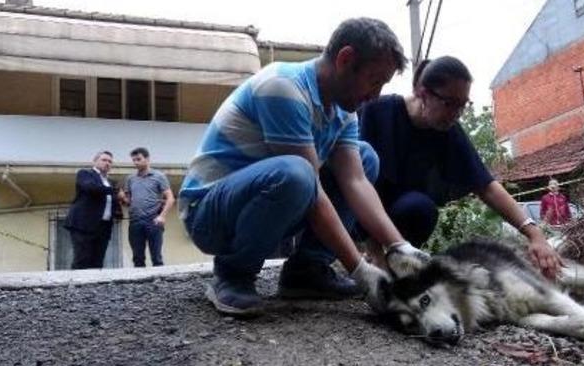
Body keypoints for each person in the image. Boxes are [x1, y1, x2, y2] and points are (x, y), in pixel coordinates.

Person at [179, 17, 429, 316]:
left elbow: (355, 181)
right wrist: (361, 272)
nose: (375, 94)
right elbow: (313, 193)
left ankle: (307, 271)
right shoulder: (283, 87)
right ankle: (233, 273)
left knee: (365, 158)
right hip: (208, 214)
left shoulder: (343, 110)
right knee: (298, 174)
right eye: (374, 80)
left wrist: (399, 247)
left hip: (270, 200)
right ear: (345, 59)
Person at [359, 56, 562, 278]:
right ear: (423, 94)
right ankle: (371, 258)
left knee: (420, 208)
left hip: (401, 213)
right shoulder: (378, 111)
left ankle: (399, 262)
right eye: (449, 104)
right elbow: (357, 183)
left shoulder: (448, 130)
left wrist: (535, 235)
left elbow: (486, 186)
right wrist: (375, 253)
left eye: (463, 106)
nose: (456, 114)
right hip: (358, 207)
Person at [64, 151, 122, 269]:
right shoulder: (85, 174)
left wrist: (121, 203)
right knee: (82, 260)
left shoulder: (111, 182)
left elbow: (113, 201)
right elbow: (91, 188)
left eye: (110, 161)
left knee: (98, 262)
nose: (107, 163)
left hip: (104, 227)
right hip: (83, 225)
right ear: (95, 161)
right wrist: (114, 190)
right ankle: (77, 281)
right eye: (104, 160)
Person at [119, 147, 175, 267]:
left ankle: (160, 279)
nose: (136, 162)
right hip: (135, 221)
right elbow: (128, 202)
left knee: (156, 257)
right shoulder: (130, 178)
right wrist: (122, 198)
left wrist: (162, 216)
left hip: (153, 221)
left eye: (138, 159)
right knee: (137, 258)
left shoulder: (159, 176)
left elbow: (170, 198)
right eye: (134, 160)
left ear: (147, 159)